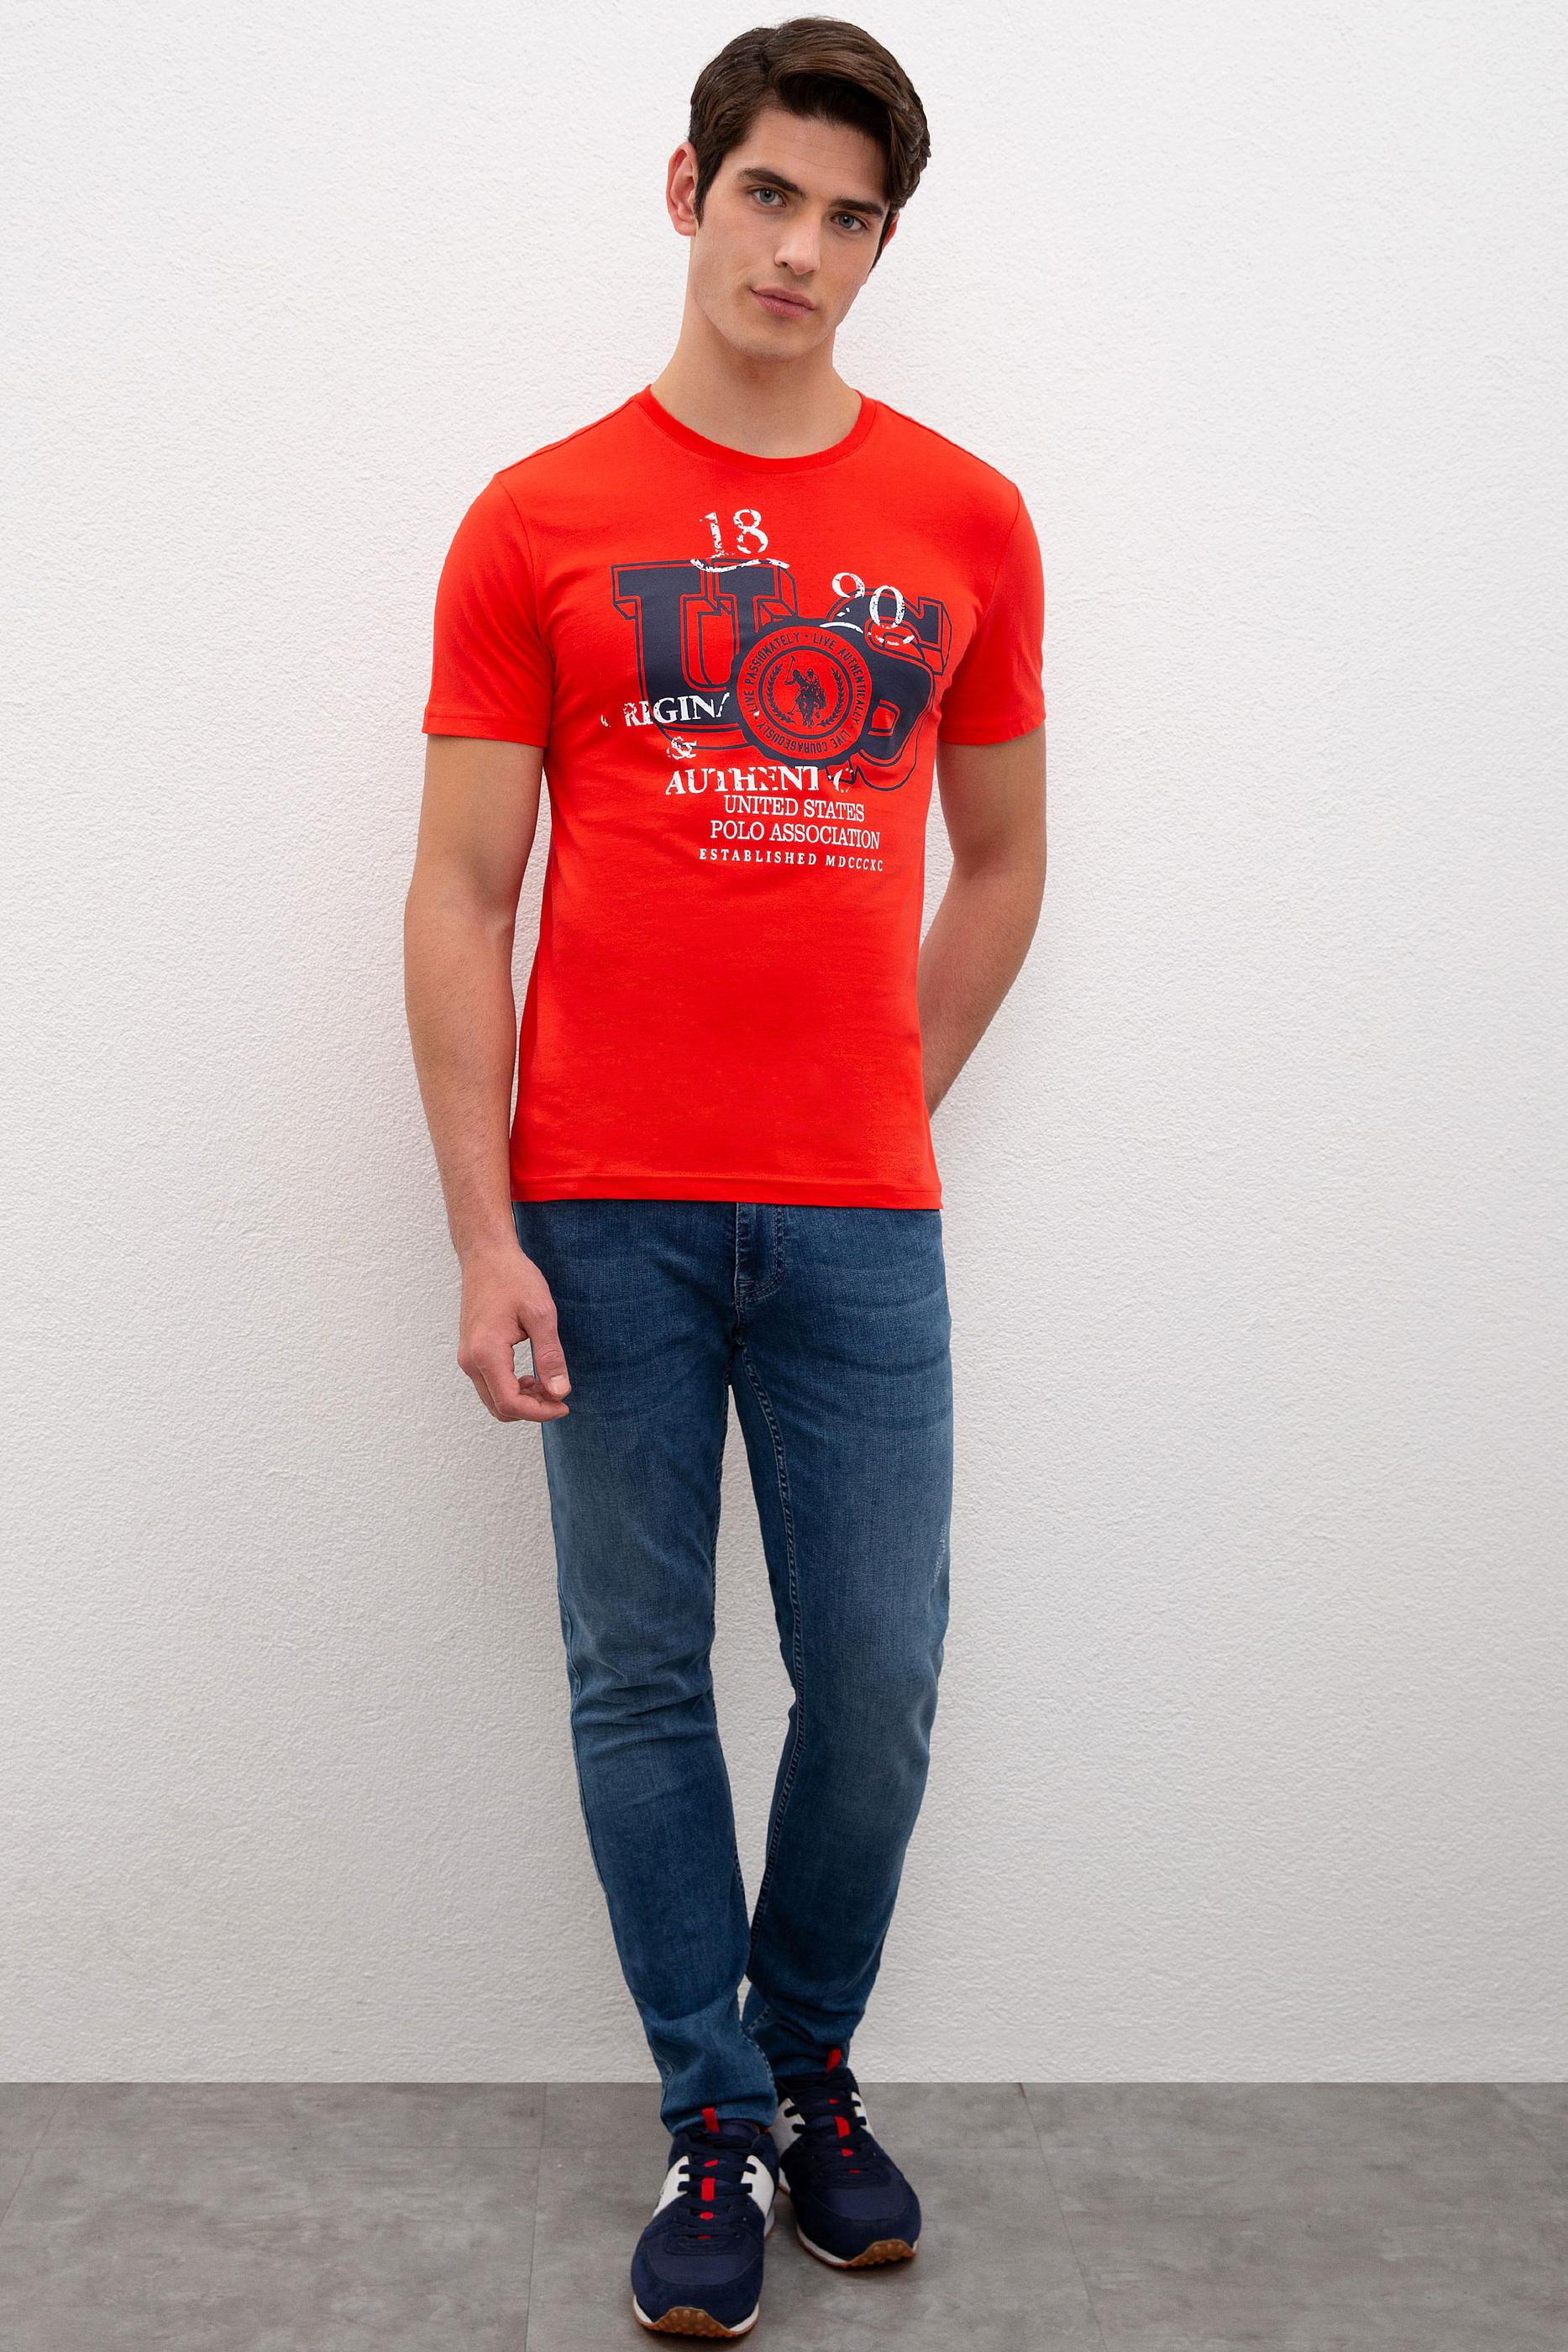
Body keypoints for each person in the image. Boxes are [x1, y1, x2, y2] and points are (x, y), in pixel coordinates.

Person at [404, 17, 1046, 2339]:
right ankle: (713, 2118)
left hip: (859, 1215)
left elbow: (1003, 862)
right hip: (603, 1210)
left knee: (876, 1675)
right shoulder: (540, 517)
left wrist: (885, 1091)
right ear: (688, 192)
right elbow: (461, 888)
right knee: (638, 1676)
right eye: (768, 193)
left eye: (850, 216)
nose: (802, 250)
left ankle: (809, 2067)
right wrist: (484, 1231)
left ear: (882, 245)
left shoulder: (964, 520)